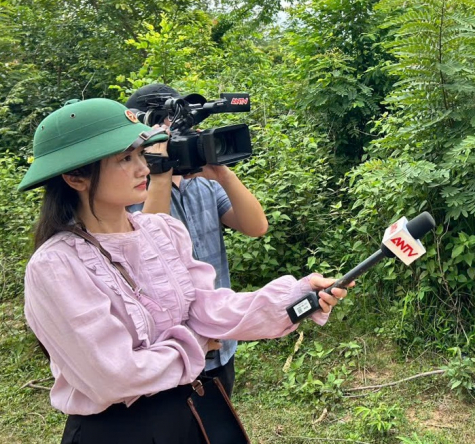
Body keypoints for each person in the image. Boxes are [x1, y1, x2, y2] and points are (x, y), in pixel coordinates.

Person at [18, 98, 348, 444]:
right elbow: (112, 374)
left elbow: (205, 306)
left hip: (189, 411)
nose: (143, 168)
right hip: (119, 431)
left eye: (140, 154)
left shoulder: (161, 230)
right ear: (75, 176)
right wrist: (195, 344)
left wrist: (296, 295)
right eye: (124, 158)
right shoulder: (56, 266)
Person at [125, 82, 267, 397]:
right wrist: (160, 176)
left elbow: (256, 226)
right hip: (168, 352)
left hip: (219, 340)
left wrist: (223, 174)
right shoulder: (129, 192)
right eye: (166, 122)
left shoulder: (202, 183)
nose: (175, 131)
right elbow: (146, 248)